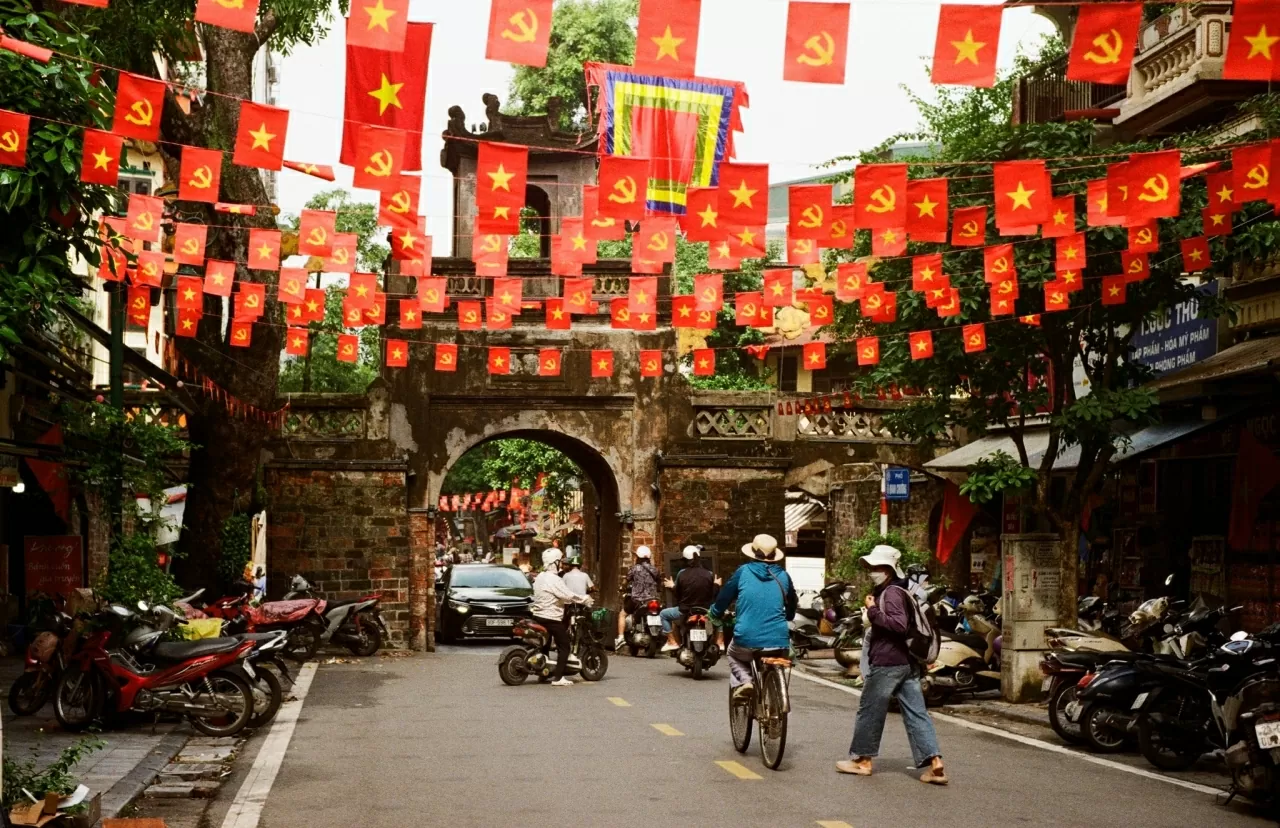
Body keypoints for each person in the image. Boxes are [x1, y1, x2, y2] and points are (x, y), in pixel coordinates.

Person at [837, 544, 948, 785]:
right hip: (906, 663)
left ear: (888, 569)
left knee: (869, 711)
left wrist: (873, 610)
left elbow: (898, 625)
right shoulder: (901, 590)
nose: (872, 571)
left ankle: (862, 761)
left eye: (877, 567)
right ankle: (934, 762)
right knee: (917, 713)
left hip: (888, 662)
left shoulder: (892, 593)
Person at [710, 534, 797, 700]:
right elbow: (792, 605)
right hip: (779, 641)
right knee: (778, 656)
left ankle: (745, 681)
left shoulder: (743, 572)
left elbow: (724, 598)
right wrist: (788, 615)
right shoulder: (784, 576)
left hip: (747, 639)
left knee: (732, 653)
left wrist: (715, 613)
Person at [531, 548, 593, 687]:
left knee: (545, 645)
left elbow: (557, 596)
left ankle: (543, 674)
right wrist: (584, 599)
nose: (562, 564)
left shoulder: (540, 577)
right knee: (564, 646)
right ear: (555, 562)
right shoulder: (554, 579)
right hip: (551, 617)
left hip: (538, 615)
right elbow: (568, 595)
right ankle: (558, 677)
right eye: (560, 561)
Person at [660, 545, 718, 652]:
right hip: (706, 610)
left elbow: (678, 594)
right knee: (720, 616)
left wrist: (672, 586)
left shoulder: (681, 574)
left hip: (685, 610)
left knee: (663, 614)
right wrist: (716, 585)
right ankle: (720, 642)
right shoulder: (709, 574)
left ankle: (672, 642)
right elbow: (713, 594)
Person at [615, 545, 661, 650]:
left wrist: (622, 587)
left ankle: (621, 637)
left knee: (622, 614)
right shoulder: (655, 569)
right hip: (652, 599)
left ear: (638, 557)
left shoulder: (634, 569)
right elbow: (659, 583)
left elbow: (625, 581)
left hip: (637, 600)